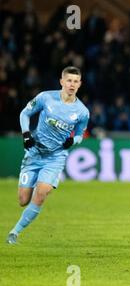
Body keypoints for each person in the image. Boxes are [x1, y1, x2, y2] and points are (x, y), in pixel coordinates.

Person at [6, 66, 90, 244]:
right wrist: (26, 134)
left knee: (42, 192)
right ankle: (20, 220)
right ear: (62, 82)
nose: (72, 84)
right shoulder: (46, 97)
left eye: (75, 81)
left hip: (56, 157)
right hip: (34, 152)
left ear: (80, 84)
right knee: (23, 200)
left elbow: (80, 135)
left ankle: (14, 232)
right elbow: (24, 113)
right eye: (69, 80)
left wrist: (72, 141)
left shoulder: (82, 112)